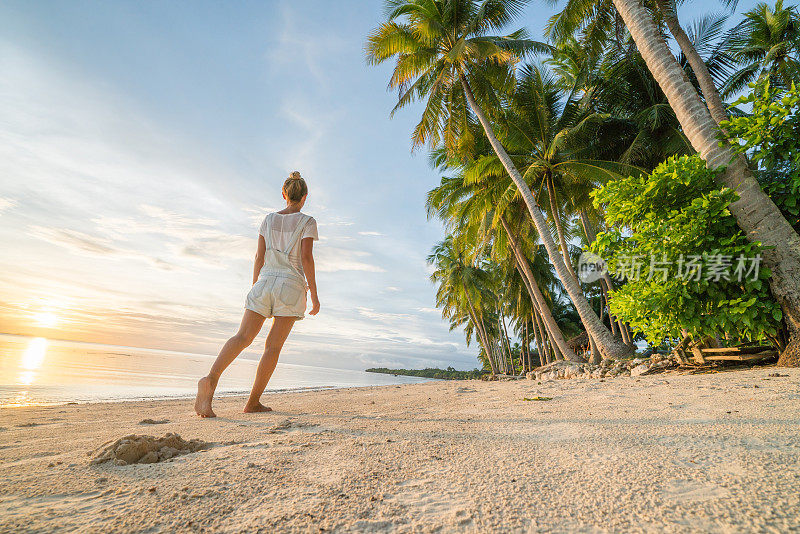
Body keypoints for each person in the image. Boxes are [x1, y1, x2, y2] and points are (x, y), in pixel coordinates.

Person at [195, 171, 319, 417]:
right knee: (272, 347)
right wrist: (314, 294)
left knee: (242, 336)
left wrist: (256, 285)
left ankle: (210, 379)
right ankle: (252, 402)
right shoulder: (308, 221)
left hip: (264, 282)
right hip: (291, 286)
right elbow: (306, 258)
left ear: (284, 194)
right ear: (305, 196)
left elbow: (259, 257)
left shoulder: (268, 220)